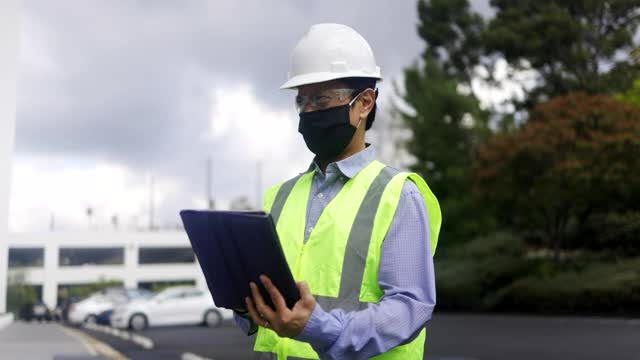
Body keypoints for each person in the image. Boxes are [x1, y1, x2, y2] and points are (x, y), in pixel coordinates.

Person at [234, 23, 441, 359]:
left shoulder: (398, 195)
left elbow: (408, 308)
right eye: (302, 101)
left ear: (365, 104)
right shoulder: (280, 197)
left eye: (321, 99)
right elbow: (261, 312)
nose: (309, 112)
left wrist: (320, 328)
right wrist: (248, 306)